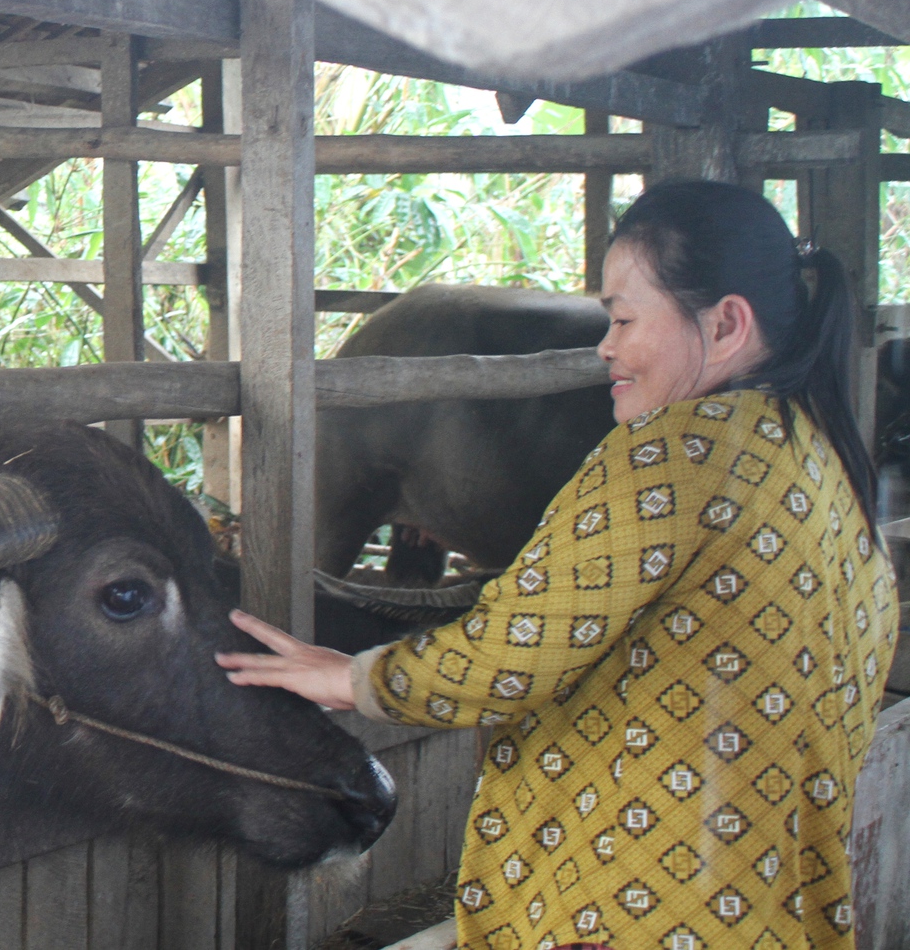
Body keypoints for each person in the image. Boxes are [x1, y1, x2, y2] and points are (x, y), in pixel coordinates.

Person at [220, 181, 899, 950]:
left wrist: (352, 678)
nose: (605, 346)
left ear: (728, 322)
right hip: (759, 893)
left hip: (636, 897)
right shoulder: (822, 455)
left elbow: (518, 650)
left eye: (624, 319)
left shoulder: (674, 451)